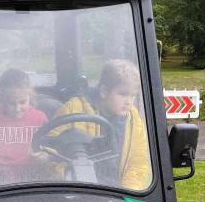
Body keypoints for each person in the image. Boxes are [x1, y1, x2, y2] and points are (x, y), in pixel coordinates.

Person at [53, 59, 150, 190]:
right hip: (79, 189)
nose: (129, 102)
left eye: (132, 96)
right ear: (104, 91)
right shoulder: (73, 109)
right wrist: (70, 179)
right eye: (123, 94)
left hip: (118, 192)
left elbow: (137, 162)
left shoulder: (134, 120)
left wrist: (129, 192)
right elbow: (52, 149)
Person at [0, 68, 49, 184]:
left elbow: (48, 149)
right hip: (0, 180)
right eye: (11, 103)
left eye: (22, 102)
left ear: (30, 97)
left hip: (33, 178)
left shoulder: (40, 118)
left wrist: (44, 157)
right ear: (1, 99)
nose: (17, 109)